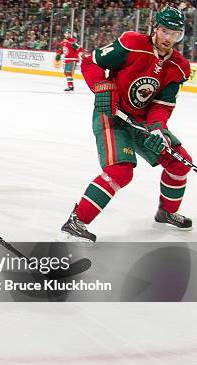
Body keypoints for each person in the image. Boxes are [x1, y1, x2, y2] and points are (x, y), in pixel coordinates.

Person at [59, 6, 193, 245]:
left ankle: (166, 212)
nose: (168, 38)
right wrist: (103, 87)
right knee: (121, 170)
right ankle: (77, 220)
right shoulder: (131, 44)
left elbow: (162, 104)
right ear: (155, 28)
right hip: (112, 115)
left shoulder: (179, 66)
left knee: (179, 164)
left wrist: (158, 128)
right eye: (164, 31)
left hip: (142, 123)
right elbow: (91, 62)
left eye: (175, 34)